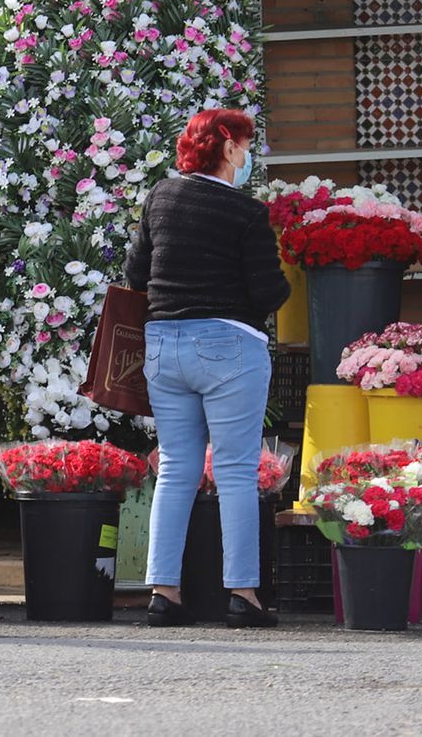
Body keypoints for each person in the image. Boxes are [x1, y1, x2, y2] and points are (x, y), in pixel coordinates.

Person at [125, 108, 290, 630]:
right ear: (225, 148)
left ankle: (163, 594)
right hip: (228, 347)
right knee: (237, 472)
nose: (246, 157)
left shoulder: (160, 197)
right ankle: (243, 595)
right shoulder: (245, 213)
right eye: (244, 147)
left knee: (175, 469)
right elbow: (268, 291)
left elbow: (135, 274)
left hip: (163, 346)